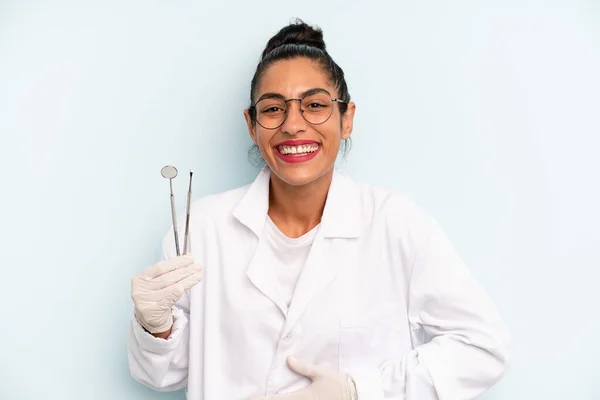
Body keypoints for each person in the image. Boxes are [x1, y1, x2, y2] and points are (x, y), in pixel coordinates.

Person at [127, 19, 511, 400]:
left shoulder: (396, 223)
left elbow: (482, 349)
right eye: (274, 108)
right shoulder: (203, 231)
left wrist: (358, 391)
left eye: (314, 105)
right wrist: (155, 327)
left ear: (347, 119)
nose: (293, 125)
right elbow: (163, 375)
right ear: (252, 124)